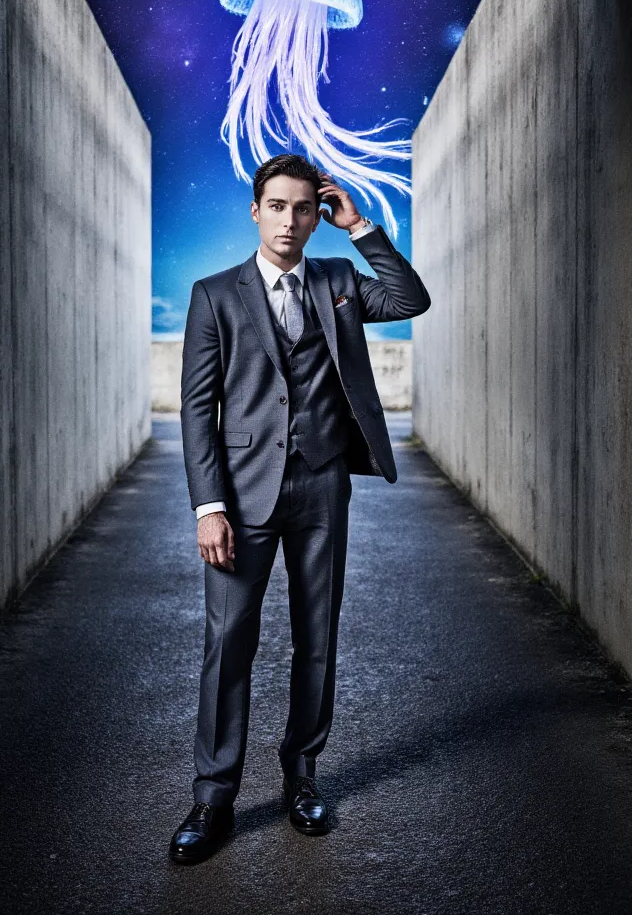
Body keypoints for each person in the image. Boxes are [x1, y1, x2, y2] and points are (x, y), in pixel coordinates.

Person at [170, 153, 431, 864]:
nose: (290, 221)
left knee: (317, 635)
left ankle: (302, 774)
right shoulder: (214, 294)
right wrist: (208, 507)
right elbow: (197, 410)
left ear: (317, 216)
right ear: (255, 212)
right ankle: (214, 795)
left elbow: (410, 299)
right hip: (243, 496)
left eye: (303, 208)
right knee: (228, 642)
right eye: (277, 207)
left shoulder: (340, 280)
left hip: (321, 489)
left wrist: (362, 229)